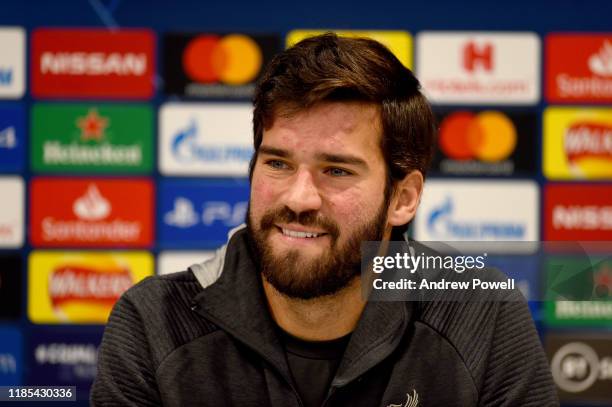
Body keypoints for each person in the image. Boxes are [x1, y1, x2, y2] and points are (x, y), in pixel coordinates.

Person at [91, 33, 558, 406]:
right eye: (277, 163)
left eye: (336, 170)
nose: (299, 198)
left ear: (404, 197)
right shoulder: (155, 320)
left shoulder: (479, 312)